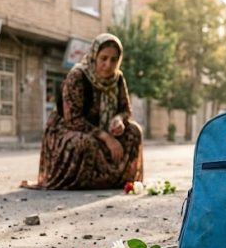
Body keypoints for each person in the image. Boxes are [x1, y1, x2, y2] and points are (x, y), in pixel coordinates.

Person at [24, 33, 143, 189]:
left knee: (134, 131)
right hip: (68, 128)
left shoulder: (118, 78)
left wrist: (119, 119)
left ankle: (117, 179)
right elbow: (73, 119)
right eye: (104, 58)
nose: (108, 64)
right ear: (94, 56)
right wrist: (106, 137)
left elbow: (125, 109)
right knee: (86, 143)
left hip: (102, 128)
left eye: (114, 60)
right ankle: (86, 181)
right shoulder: (77, 76)